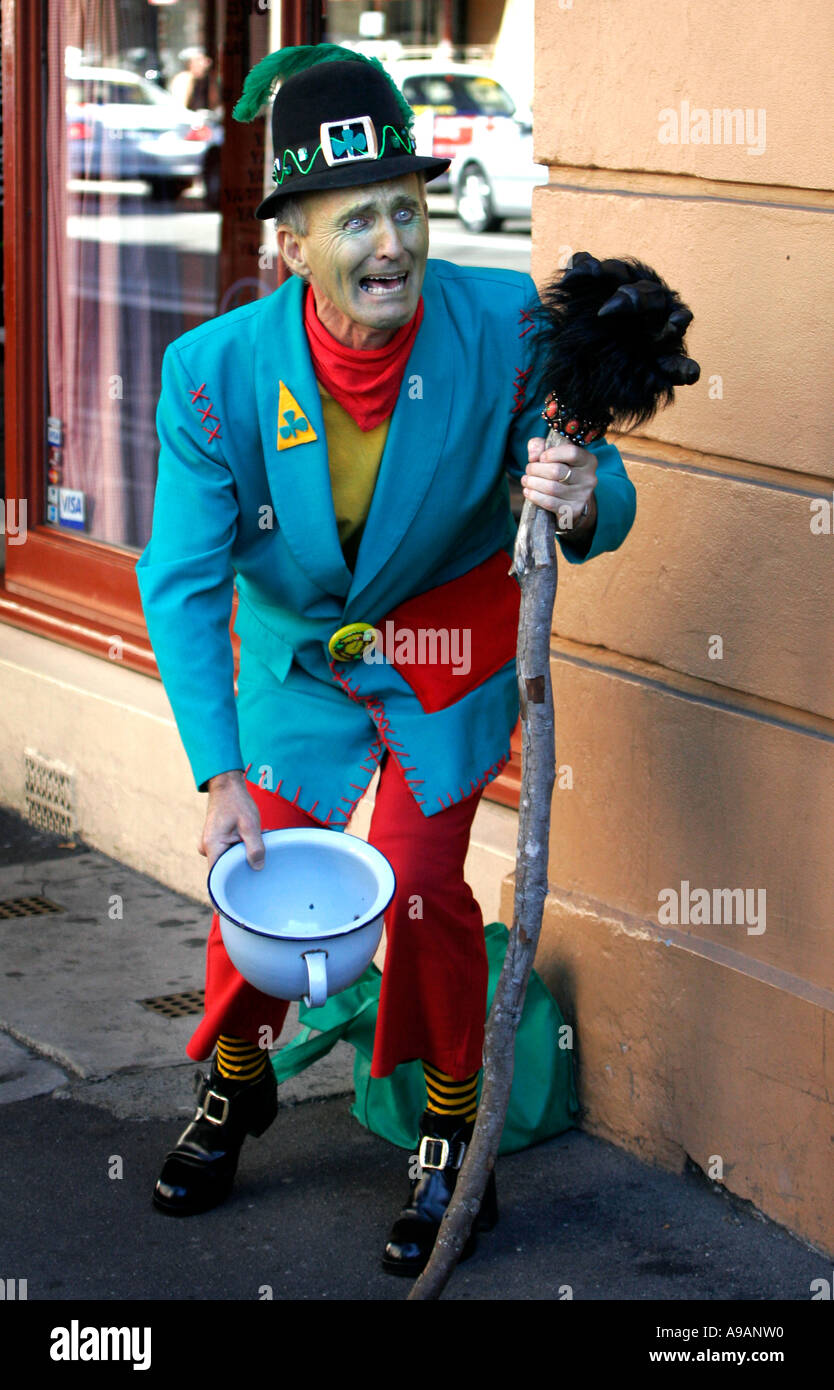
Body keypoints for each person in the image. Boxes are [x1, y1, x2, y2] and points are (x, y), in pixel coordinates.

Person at [135, 44, 637, 1277]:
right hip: (304, 661)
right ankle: (238, 1078)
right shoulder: (212, 378)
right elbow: (184, 584)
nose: (392, 242)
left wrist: (572, 495)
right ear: (292, 245)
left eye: (406, 207)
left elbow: (605, 495)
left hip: (449, 642)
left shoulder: (507, 328)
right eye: (355, 217)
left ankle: (452, 1130)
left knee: (418, 882)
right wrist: (217, 772)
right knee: (253, 871)